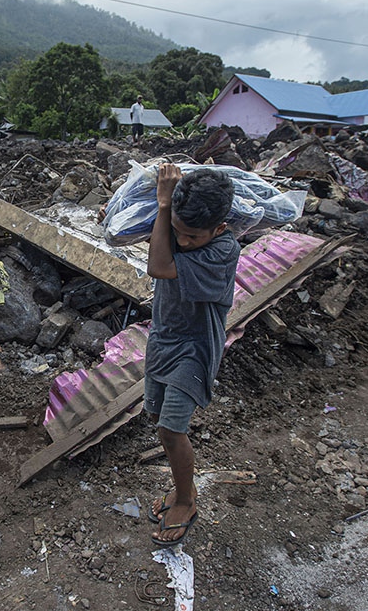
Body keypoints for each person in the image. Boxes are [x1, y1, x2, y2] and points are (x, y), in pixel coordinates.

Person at [144, 164, 240, 546]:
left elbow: (158, 265)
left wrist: (164, 205)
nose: (182, 241)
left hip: (194, 348)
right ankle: (180, 489)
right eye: (178, 233)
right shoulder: (186, 231)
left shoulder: (223, 249)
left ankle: (186, 498)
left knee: (171, 429)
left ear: (218, 229)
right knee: (158, 420)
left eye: (192, 236)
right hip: (164, 339)